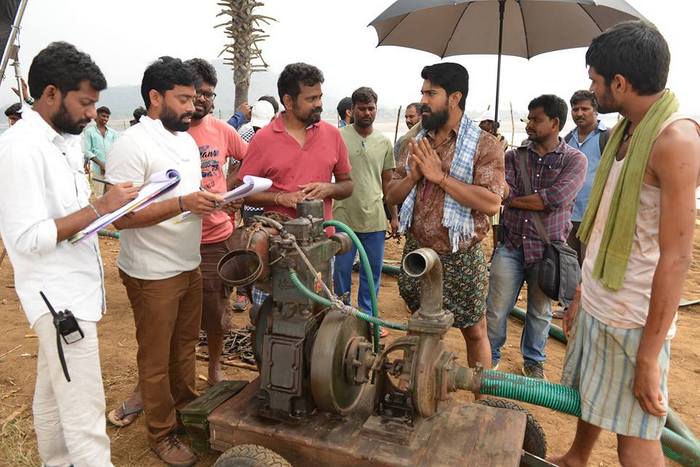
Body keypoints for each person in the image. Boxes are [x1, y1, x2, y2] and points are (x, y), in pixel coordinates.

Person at [550, 21, 700, 467]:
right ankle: (577, 457)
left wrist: (649, 357)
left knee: (634, 438)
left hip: (633, 318)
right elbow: (605, 225)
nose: (592, 89)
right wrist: (582, 291)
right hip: (601, 299)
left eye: (595, 80)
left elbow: (677, 257)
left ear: (619, 83)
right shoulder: (628, 129)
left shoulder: (674, 140)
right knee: (591, 395)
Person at [0, 41, 139, 467]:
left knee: (51, 393)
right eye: (84, 103)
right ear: (50, 94)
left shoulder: (62, 141)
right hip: (58, 302)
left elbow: (68, 217)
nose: (91, 113)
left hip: (74, 291)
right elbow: (28, 237)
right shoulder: (20, 148)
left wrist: (105, 208)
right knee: (85, 416)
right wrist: (101, 207)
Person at [106, 56, 225, 467]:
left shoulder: (185, 141)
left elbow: (186, 201)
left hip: (187, 263)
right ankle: (161, 432)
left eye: (195, 98)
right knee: (156, 359)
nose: (193, 107)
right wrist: (182, 204)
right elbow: (121, 218)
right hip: (152, 272)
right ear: (155, 98)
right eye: (184, 99)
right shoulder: (133, 145)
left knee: (184, 348)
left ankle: (187, 413)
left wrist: (211, 202)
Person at [386, 62, 506, 372]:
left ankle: (481, 395)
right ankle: (418, 387)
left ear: (454, 97)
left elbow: (492, 203)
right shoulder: (415, 141)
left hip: (460, 256)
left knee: (474, 330)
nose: (423, 101)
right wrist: (413, 177)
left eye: (431, 93)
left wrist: (440, 177)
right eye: (423, 93)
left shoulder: (485, 145)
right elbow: (391, 197)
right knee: (420, 325)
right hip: (417, 253)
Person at [486, 94, 586, 379]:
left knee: (540, 312)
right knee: (496, 307)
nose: (529, 124)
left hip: (547, 251)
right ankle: (490, 355)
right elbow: (502, 192)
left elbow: (555, 199)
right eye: (528, 119)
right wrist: (523, 197)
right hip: (511, 245)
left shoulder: (574, 160)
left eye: (536, 119)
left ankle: (533, 360)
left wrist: (515, 199)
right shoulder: (511, 156)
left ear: (554, 123)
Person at [185, 57, 248, 384]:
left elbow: (251, 158)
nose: (203, 99)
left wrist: (232, 189)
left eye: (209, 94)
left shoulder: (222, 130)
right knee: (178, 312)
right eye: (197, 92)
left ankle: (214, 367)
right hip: (176, 239)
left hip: (215, 237)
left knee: (216, 309)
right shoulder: (170, 132)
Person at [238, 62, 352, 223]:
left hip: (323, 235)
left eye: (319, 97)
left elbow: (347, 185)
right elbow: (245, 194)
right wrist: (280, 198)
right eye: (311, 99)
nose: (319, 104)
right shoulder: (262, 139)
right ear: (288, 101)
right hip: (277, 236)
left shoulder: (332, 134)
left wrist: (329, 188)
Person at [333, 87, 396, 329]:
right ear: (352, 110)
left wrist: (394, 216)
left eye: (371, 108)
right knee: (341, 270)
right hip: (344, 217)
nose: (367, 113)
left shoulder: (384, 142)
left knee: (372, 272)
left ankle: (368, 319)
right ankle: (342, 317)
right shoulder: (338, 138)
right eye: (362, 109)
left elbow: (388, 183)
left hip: (375, 219)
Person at [564, 90, 609, 264]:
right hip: (568, 216)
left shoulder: (607, 137)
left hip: (594, 216)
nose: (579, 113)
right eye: (575, 109)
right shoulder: (568, 139)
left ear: (595, 111)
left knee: (589, 265)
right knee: (569, 266)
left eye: (585, 109)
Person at [83, 105, 118, 196]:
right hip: (98, 171)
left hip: (112, 170)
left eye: (107, 117)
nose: (105, 119)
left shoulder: (113, 133)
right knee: (99, 196)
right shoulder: (89, 132)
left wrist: (108, 166)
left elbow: (117, 151)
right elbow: (87, 151)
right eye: (103, 116)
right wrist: (101, 164)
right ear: (96, 116)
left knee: (113, 196)